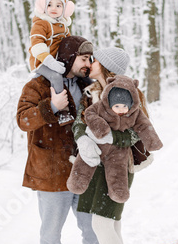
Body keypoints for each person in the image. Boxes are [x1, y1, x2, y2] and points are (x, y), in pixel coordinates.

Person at [68, 47, 163, 244]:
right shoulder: (90, 94)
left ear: (107, 66)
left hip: (120, 168)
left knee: (101, 223)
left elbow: (138, 134)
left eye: (95, 60)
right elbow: (79, 122)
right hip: (95, 165)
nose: (90, 63)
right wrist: (82, 138)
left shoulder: (129, 94)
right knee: (112, 225)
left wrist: (112, 139)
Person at [17, 35, 104, 244]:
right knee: (51, 231)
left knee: (92, 225)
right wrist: (51, 107)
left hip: (84, 170)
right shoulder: (37, 86)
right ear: (68, 58)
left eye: (90, 59)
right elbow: (23, 120)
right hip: (51, 174)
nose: (88, 64)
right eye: (83, 58)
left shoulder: (87, 87)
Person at [67, 74, 163, 203]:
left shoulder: (135, 113)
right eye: (117, 106)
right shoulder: (100, 106)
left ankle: (118, 191)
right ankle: (77, 182)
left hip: (118, 149)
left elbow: (144, 126)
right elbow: (89, 114)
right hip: (96, 143)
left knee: (117, 170)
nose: (122, 110)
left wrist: (153, 142)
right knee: (85, 161)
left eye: (125, 106)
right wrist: (100, 128)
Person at [29, 0, 75, 125]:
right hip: (41, 62)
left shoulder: (64, 26)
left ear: (65, 9)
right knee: (55, 76)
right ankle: (63, 111)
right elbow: (37, 44)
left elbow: (69, 44)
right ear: (43, 6)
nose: (53, 8)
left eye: (58, 5)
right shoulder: (41, 23)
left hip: (57, 61)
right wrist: (49, 61)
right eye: (49, 4)